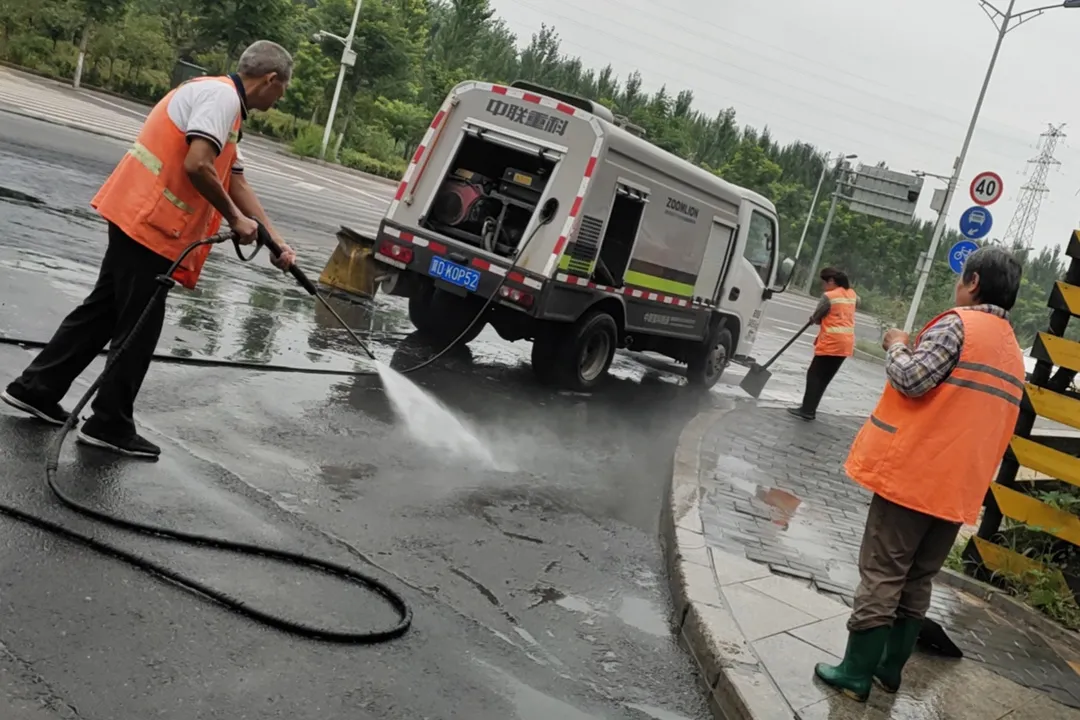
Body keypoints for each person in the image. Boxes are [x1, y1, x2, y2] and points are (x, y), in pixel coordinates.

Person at [1, 40, 297, 459]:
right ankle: (108, 423)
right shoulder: (221, 98)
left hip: (140, 217)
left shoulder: (224, 106)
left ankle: (36, 388)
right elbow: (198, 165)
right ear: (270, 79)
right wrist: (234, 219)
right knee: (139, 325)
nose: (279, 99)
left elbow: (235, 180)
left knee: (104, 311)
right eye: (282, 90)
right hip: (149, 223)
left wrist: (275, 240)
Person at [813, 245, 1025, 702]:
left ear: (972, 282)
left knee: (883, 573)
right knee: (919, 578)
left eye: (961, 278)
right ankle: (889, 671)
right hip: (958, 489)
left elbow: (912, 380)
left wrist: (896, 345)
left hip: (914, 476)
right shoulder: (1012, 351)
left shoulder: (957, 325)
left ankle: (854, 672)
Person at [788, 267, 857, 420]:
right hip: (845, 345)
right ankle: (810, 409)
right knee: (824, 378)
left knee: (814, 375)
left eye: (824, 283)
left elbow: (818, 317)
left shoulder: (829, 296)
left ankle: (807, 410)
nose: (823, 286)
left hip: (831, 343)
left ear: (831, 281)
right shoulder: (852, 294)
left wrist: (813, 318)